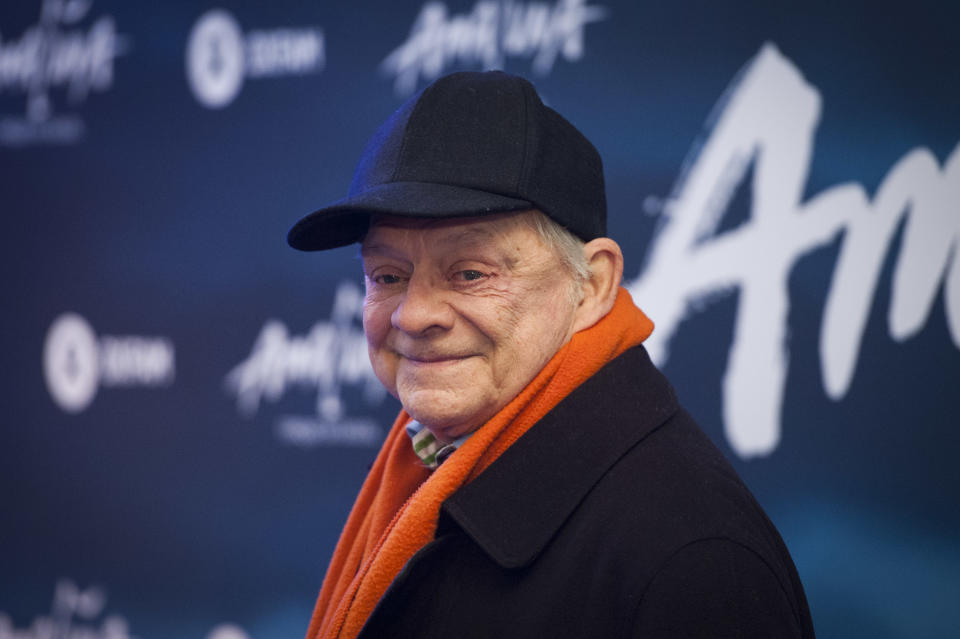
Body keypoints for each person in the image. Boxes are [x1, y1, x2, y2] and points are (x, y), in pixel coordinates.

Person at [287, 70, 815, 639]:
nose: (414, 315)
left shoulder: (697, 562)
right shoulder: (430, 462)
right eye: (387, 275)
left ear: (591, 286)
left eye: (469, 273)